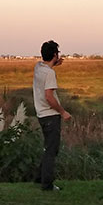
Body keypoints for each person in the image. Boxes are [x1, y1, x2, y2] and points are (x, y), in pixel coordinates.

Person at [33, 40, 71, 191]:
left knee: (49, 147)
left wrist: (54, 63)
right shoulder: (50, 73)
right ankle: (47, 184)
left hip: (41, 114)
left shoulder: (38, 67)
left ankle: (39, 178)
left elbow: (46, 66)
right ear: (55, 54)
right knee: (51, 150)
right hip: (50, 116)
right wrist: (63, 112)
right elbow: (49, 97)